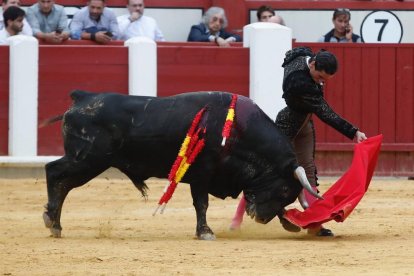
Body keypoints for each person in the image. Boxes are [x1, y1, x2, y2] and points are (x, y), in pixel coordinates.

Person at [230, 47, 367, 236]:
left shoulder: (301, 58)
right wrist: (353, 132)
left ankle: (315, 225)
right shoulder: (301, 84)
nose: (322, 83)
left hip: (304, 123)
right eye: (320, 77)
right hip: (287, 124)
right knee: (266, 169)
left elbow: (293, 53)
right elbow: (326, 114)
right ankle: (237, 218)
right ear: (312, 64)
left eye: (325, 80)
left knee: (308, 169)